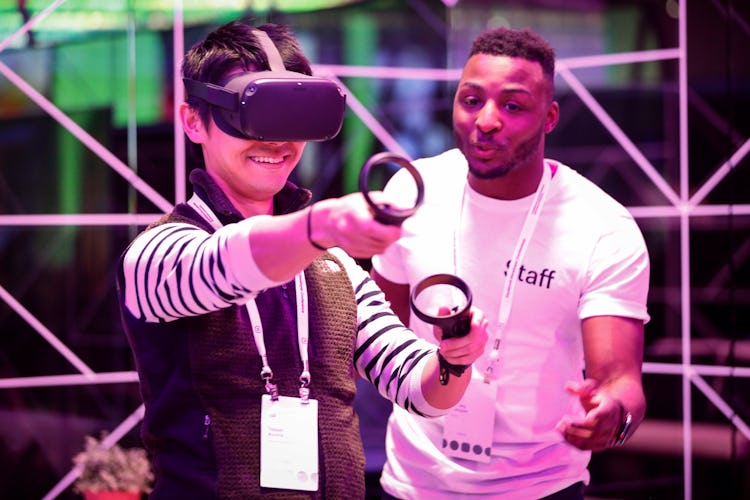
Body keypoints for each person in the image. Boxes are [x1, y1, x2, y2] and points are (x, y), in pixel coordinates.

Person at [115, 20, 489, 499]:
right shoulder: (155, 254)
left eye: (292, 116)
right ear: (193, 121)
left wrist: (454, 361)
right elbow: (223, 265)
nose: (276, 142)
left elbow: (416, 387)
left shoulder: (333, 266)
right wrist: (319, 226)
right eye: (251, 115)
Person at [370, 26, 650, 499]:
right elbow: (379, 335)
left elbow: (620, 381)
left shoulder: (602, 226)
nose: (487, 120)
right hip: (411, 484)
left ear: (550, 117)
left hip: (541, 488)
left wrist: (612, 417)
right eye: (472, 100)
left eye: (514, 106)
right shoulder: (412, 192)